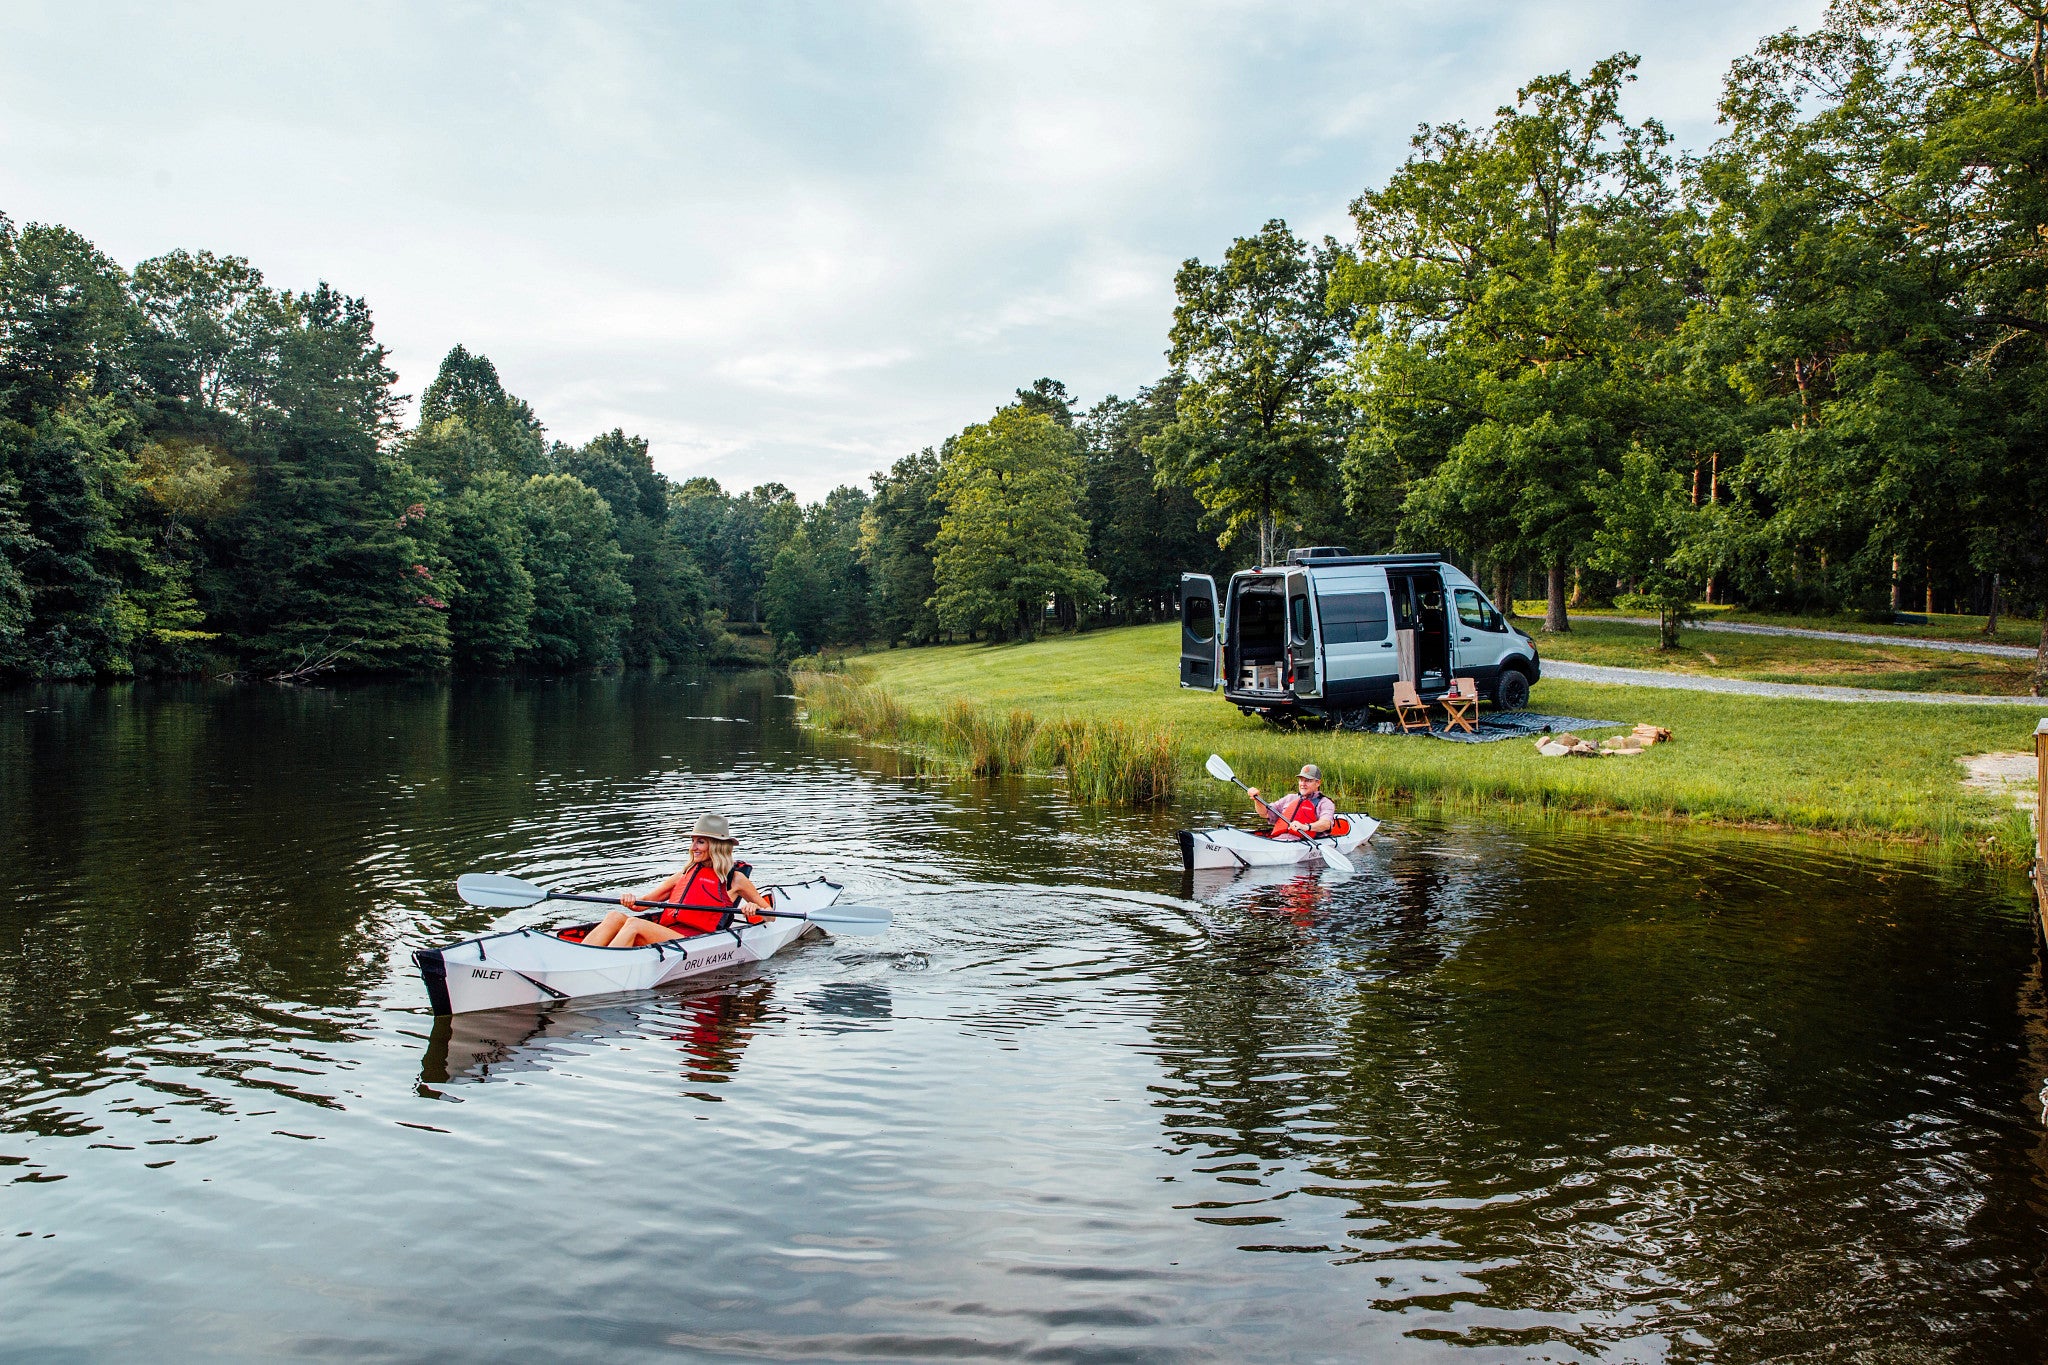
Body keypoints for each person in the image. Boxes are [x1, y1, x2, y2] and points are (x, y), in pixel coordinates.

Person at [580, 813, 774, 948]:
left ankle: (604, 964)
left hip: (696, 941)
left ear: (715, 846)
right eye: (693, 841)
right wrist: (630, 899)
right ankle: (581, 957)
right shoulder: (684, 874)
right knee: (615, 916)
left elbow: (771, 916)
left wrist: (755, 909)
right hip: (667, 933)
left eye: (700, 841)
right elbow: (641, 906)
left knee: (634, 925)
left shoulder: (735, 879)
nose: (693, 847)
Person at [1244, 764, 1335, 842]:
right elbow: (1264, 813)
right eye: (1301, 780)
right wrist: (1257, 799)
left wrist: (1305, 827)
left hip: (1304, 842)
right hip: (1278, 840)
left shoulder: (1325, 802)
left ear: (1318, 783)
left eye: (1308, 780)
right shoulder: (1289, 798)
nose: (1303, 783)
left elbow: (1326, 824)